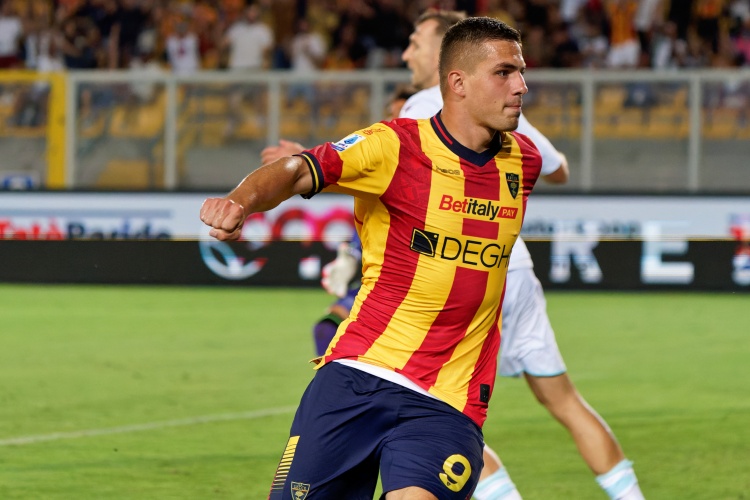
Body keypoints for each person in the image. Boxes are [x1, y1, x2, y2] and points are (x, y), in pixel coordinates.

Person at [262, 10, 646, 500]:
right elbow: (558, 168)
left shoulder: (428, 109)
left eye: (417, 41)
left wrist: (318, 171)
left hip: (448, 281)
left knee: (423, 379)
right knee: (559, 401)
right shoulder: (507, 118)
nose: (408, 52)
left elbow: (393, 184)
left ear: (450, 62)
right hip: (511, 271)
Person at [201, 16, 541, 500]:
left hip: (449, 399)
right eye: (504, 73)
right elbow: (298, 170)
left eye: (521, 72)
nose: (521, 86)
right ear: (458, 83)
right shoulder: (394, 146)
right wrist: (240, 202)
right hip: (357, 374)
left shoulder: (524, 161)